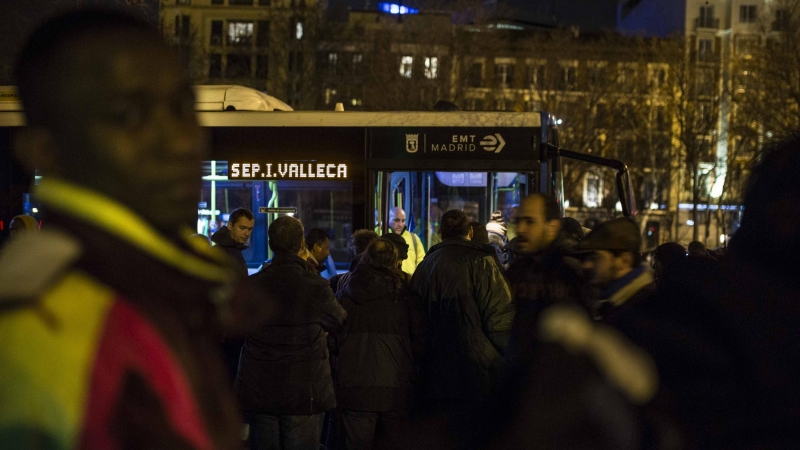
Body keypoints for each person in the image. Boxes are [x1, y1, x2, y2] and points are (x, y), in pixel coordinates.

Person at [0, 9, 253, 448]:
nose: (180, 139)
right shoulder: (44, 329)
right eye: (129, 116)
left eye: (183, 108)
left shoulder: (155, 288)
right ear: (43, 150)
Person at [236, 216, 346, 450]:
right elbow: (339, 319)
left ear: (270, 244)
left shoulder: (253, 284)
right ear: (301, 245)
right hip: (304, 389)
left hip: (260, 387)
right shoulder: (316, 286)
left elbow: (237, 326)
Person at [409, 209, 514, 447]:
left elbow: (413, 320)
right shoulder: (482, 262)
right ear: (469, 232)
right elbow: (500, 319)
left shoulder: (426, 266)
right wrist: (508, 361)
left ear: (441, 234)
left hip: (433, 370)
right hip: (476, 369)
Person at [331, 239, 424, 450]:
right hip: (396, 388)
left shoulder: (346, 292)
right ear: (396, 261)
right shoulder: (407, 293)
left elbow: (331, 340)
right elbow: (420, 341)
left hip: (354, 388)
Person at [577, 218, 655, 322]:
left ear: (624, 261)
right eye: (585, 258)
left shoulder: (641, 313)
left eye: (595, 258)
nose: (586, 265)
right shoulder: (615, 303)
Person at [212, 208, 255, 277]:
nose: (247, 233)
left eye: (250, 229)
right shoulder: (218, 253)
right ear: (230, 226)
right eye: (242, 228)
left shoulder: (236, 249)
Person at [389, 207, 425, 275]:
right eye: (396, 220)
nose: (400, 224)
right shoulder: (379, 236)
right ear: (388, 219)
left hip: (409, 282)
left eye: (403, 221)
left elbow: (422, 263)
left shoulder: (413, 238)